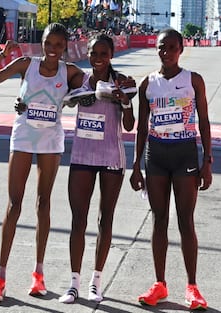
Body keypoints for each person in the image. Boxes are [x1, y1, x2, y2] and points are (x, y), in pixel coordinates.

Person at [0, 22, 85, 302]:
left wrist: (73, 100)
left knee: (43, 204)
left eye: (59, 45)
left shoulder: (70, 71)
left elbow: (90, 90)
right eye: (49, 43)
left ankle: (38, 275)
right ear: (42, 42)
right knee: (14, 205)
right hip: (23, 136)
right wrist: (2, 55)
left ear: (65, 47)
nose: (53, 50)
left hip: (51, 141)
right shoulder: (26, 63)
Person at [129, 28, 212, 310]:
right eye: (162, 47)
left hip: (185, 152)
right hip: (156, 155)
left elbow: (204, 123)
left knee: (185, 221)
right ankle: (159, 284)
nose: (166, 52)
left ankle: (192, 286)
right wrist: (136, 165)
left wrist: (208, 161)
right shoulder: (147, 83)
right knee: (159, 220)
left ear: (182, 49)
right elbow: (141, 127)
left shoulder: (194, 80)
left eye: (172, 47)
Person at [58, 33, 136, 304]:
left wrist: (122, 100)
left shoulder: (121, 81)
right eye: (93, 53)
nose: (98, 58)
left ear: (111, 55)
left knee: (106, 220)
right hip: (82, 155)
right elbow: (60, 98)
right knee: (78, 220)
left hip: (111, 158)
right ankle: (74, 283)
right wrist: (76, 98)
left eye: (103, 54)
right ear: (87, 54)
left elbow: (129, 125)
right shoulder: (80, 81)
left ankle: (96, 282)